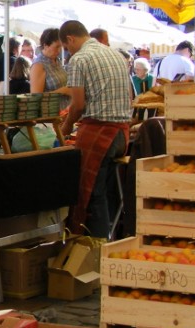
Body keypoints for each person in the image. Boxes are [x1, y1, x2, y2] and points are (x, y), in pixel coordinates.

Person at [57, 20, 132, 239]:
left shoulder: (79, 59)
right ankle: (109, 237)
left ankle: (96, 248)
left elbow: (78, 105)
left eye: (65, 46)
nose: (67, 51)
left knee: (92, 194)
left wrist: (67, 125)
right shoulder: (115, 54)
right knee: (106, 192)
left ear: (70, 39)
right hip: (122, 134)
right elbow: (129, 96)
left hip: (100, 133)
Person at [30, 28, 68, 95]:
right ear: (45, 46)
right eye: (56, 47)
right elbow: (36, 96)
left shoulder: (57, 60)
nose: (59, 50)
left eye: (61, 47)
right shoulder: (38, 65)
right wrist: (62, 91)